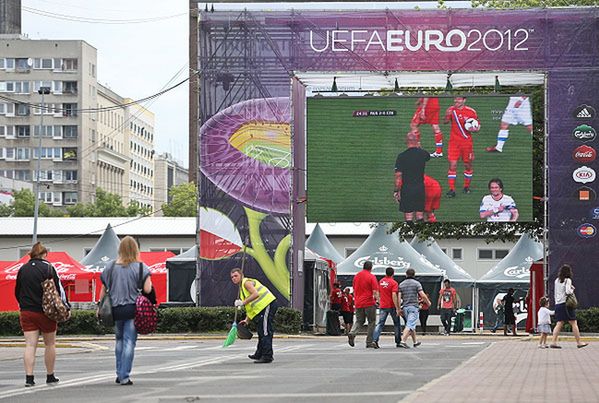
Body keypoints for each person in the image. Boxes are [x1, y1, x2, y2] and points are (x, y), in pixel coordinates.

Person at [99, 236, 152, 385]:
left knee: (119, 341)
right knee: (130, 342)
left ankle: (119, 372)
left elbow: (103, 289)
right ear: (135, 249)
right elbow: (147, 289)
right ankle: (124, 375)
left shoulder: (109, 267)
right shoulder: (141, 267)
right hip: (132, 310)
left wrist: (99, 306)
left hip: (115, 310)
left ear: (120, 249)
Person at [15, 242, 69, 387]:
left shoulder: (23, 269)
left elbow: (17, 291)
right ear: (44, 254)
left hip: (27, 311)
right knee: (50, 344)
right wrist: (66, 306)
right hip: (46, 312)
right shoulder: (49, 268)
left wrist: (24, 305)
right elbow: (59, 291)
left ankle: (29, 378)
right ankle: (50, 376)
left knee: (30, 345)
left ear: (31, 255)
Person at [231, 268, 278, 363]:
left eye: (236, 276)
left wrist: (242, 302)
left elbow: (255, 294)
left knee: (265, 331)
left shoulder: (246, 283)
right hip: (262, 308)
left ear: (241, 275)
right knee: (261, 330)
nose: (234, 278)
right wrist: (247, 320)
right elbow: (251, 306)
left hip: (267, 305)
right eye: (232, 277)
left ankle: (267, 356)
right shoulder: (242, 289)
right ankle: (259, 353)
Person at [444, 96, 479, 197]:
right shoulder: (451, 110)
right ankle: (451, 189)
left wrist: (475, 128)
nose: (456, 101)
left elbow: (478, 126)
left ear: (464, 100)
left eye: (459, 99)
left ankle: (466, 187)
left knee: (468, 165)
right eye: (455, 99)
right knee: (452, 165)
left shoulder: (471, 112)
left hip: (467, 144)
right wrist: (447, 115)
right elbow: (445, 122)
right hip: (454, 143)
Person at [394, 131, 431, 221]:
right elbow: (427, 156)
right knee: (420, 215)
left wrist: (396, 191)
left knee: (408, 215)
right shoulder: (422, 154)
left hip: (407, 189)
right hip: (420, 188)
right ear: (417, 141)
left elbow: (398, 177)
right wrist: (419, 146)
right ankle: (419, 232)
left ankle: (410, 231)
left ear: (406, 141)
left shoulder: (401, 156)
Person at [550, 265, 588, 349]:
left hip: (558, 304)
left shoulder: (557, 280)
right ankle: (579, 342)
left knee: (559, 323)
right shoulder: (568, 280)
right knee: (574, 323)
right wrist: (572, 289)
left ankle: (553, 342)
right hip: (566, 305)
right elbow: (567, 291)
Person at [347, 261, 379, 348]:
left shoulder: (356, 276)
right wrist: (378, 301)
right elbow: (375, 291)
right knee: (371, 322)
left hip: (358, 303)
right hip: (369, 302)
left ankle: (352, 333)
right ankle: (369, 342)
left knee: (359, 321)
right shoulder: (371, 277)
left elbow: (354, 288)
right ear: (371, 268)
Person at [397, 268, 432, 348]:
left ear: (406, 275)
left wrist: (399, 308)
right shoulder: (416, 284)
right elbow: (422, 295)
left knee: (410, 324)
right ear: (414, 275)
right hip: (413, 307)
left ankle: (415, 341)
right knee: (410, 324)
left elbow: (399, 297)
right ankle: (403, 340)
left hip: (405, 307)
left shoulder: (401, 284)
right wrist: (428, 302)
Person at [372, 267, 402, 348]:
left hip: (383, 305)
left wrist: (379, 300)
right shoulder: (394, 283)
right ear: (393, 273)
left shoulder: (381, 281)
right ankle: (398, 341)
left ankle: (375, 340)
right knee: (396, 324)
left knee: (380, 324)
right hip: (391, 306)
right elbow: (394, 295)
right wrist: (397, 308)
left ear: (386, 273)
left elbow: (377, 292)